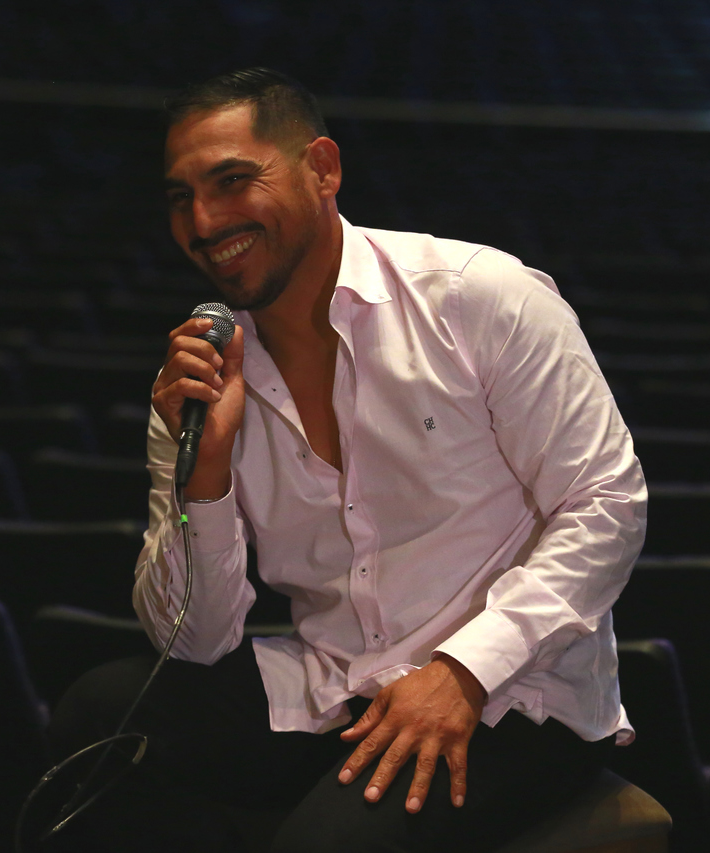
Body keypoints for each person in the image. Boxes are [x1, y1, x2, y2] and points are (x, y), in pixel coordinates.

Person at [48, 67, 647, 853]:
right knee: (95, 720)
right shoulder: (201, 381)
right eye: (180, 197)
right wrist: (209, 471)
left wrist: (463, 670)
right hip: (339, 680)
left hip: (514, 692)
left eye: (232, 181)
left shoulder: (478, 295)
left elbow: (608, 506)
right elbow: (194, 642)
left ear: (322, 169)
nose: (203, 220)